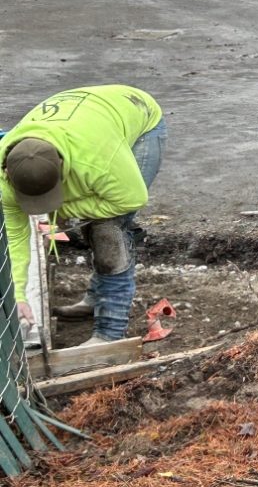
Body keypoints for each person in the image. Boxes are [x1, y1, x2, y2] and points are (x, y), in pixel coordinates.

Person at [0, 85, 166, 345]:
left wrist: (65, 210)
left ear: (64, 167)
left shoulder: (97, 160)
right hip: (86, 118)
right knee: (94, 222)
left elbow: (132, 198)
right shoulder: (4, 176)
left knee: (109, 230)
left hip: (138, 114)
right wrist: (18, 295)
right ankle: (96, 299)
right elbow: (15, 239)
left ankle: (110, 332)